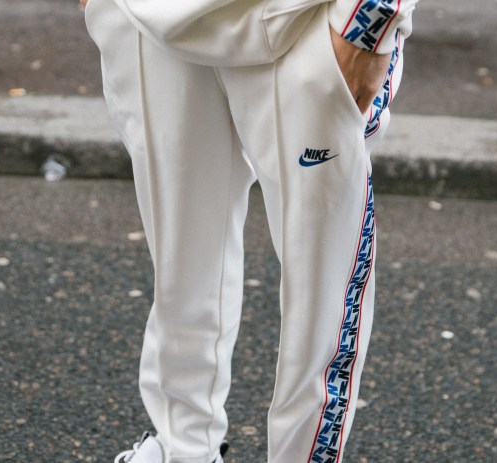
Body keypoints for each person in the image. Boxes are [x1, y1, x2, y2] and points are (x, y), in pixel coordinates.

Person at [81, 0, 417, 461]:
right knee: (179, 260)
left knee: (322, 292)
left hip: (304, 18)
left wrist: (371, 20)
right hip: (143, 17)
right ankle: (183, 450)